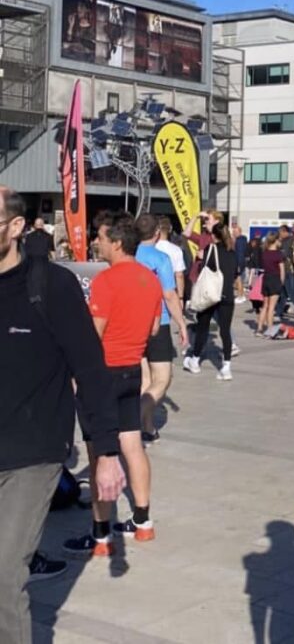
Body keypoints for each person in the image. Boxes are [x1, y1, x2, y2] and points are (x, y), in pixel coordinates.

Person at [0, 188, 125, 643]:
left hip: (33, 453)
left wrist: (106, 451)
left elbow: (91, 370)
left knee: (2, 577)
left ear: (15, 228)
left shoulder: (50, 286)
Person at [63, 210, 163, 557]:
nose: (96, 243)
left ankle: (101, 536)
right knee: (132, 445)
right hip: (131, 371)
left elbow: (95, 335)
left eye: (101, 238)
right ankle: (143, 521)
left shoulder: (106, 281)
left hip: (102, 374)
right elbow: (152, 330)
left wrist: (77, 374)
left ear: (117, 243)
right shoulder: (149, 279)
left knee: (99, 453)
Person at [134, 214, 189, 444]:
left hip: (132, 322)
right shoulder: (161, 258)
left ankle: (146, 427)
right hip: (158, 323)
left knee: (145, 379)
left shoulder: (129, 255)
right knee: (163, 379)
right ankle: (132, 419)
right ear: (157, 232)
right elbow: (169, 293)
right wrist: (182, 323)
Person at [182, 220, 238, 380]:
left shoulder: (210, 250)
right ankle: (226, 366)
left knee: (203, 327)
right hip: (227, 295)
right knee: (225, 331)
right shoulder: (232, 252)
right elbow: (235, 273)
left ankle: (195, 360)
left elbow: (203, 266)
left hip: (211, 294)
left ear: (214, 236)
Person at [257, 232, 285, 336]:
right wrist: (281, 282)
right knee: (272, 307)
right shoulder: (278, 254)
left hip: (266, 278)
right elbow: (282, 270)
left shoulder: (264, 253)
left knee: (265, 306)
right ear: (276, 241)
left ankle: (259, 328)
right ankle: (270, 329)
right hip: (275, 279)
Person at [155, 216, 186, 304]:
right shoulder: (176, 250)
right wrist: (180, 297)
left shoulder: (150, 247)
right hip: (170, 291)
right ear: (170, 229)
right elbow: (179, 275)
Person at [275, 224, 294, 321]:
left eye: (280, 232)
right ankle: (278, 312)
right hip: (282, 271)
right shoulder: (281, 241)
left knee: (292, 293)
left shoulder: (291, 241)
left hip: (290, 271)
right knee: (283, 294)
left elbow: (291, 255)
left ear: (285, 232)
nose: (279, 234)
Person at [232, 224, 248, 304]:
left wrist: (238, 265)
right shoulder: (242, 240)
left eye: (235, 231)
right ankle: (241, 295)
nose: (233, 233)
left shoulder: (239, 241)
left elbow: (240, 254)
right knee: (238, 280)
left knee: (239, 280)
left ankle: (240, 296)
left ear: (239, 232)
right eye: (233, 231)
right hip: (239, 262)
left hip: (238, 262)